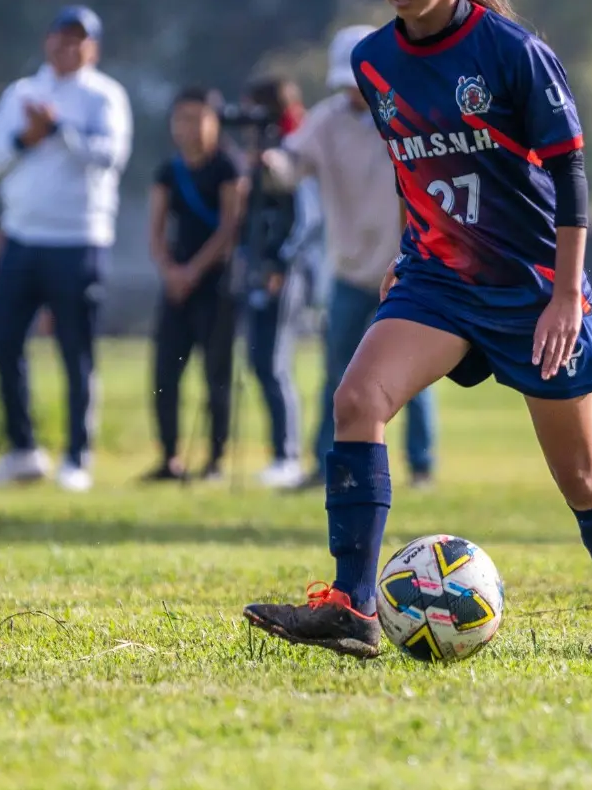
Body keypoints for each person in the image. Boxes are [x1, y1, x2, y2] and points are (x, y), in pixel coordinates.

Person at [243, 0, 592, 662]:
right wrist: (410, 256)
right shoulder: (374, 63)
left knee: (581, 477)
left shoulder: (512, 52)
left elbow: (572, 175)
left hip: (532, 290)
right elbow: (418, 171)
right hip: (438, 283)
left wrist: (566, 295)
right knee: (356, 398)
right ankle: (353, 602)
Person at [264, 26, 439, 491]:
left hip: (404, 269)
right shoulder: (326, 120)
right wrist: (270, 164)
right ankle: (328, 467)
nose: (353, 92)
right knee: (338, 375)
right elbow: (291, 165)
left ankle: (421, 467)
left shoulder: (406, 114)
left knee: (414, 375)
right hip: (347, 269)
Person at [0, 6, 133, 493]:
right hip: (22, 238)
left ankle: (77, 456)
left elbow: (110, 157)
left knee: (75, 350)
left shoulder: (105, 95)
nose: (68, 47)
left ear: (93, 48)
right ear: (47, 42)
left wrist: (60, 130)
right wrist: (27, 137)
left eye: (79, 40)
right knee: (3, 341)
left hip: (79, 240)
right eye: (61, 37)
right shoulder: (21, 94)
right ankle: (23, 450)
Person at [143, 87, 243, 482]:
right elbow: (155, 228)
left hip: (217, 284)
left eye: (198, 118)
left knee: (216, 374)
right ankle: (169, 458)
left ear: (215, 122)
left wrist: (194, 271)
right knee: (164, 373)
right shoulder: (168, 171)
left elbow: (229, 227)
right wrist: (169, 270)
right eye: (181, 118)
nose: (189, 127)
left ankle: (215, 461)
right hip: (176, 287)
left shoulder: (228, 166)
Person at [238, 77, 320, 490]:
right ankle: (280, 453)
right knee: (260, 362)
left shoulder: (298, 149)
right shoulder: (266, 154)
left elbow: (305, 219)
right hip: (261, 267)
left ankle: (286, 454)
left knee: (274, 362)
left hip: (286, 272)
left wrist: (279, 262)